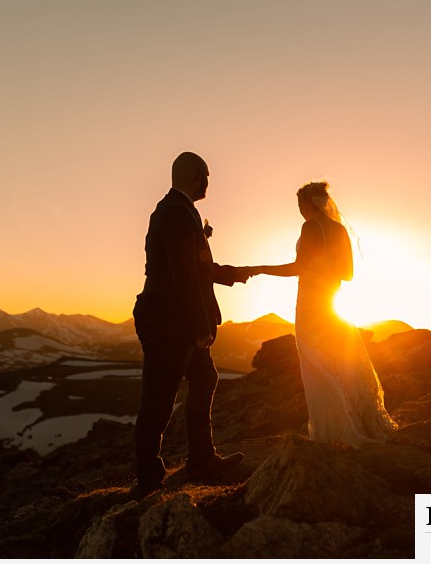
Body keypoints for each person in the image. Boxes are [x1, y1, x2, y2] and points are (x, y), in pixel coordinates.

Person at [243, 181, 396, 446]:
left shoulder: (310, 226)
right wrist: (325, 268)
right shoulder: (339, 230)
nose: (300, 211)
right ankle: (357, 422)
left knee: (317, 364)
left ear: (309, 204)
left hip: (312, 306)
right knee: (339, 363)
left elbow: (298, 267)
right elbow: (348, 274)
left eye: (300, 205)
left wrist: (260, 267)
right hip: (333, 305)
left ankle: (335, 429)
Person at [131, 152, 247, 498]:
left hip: (173, 317)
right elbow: (184, 274)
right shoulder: (177, 213)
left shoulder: (176, 211)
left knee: (204, 378)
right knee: (158, 399)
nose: (208, 183)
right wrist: (200, 326)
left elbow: (193, 265)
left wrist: (231, 275)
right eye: (205, 176)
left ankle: (201, 459)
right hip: (170, 320)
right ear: (193, 176)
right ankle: (149, 481)